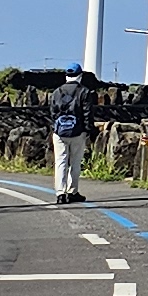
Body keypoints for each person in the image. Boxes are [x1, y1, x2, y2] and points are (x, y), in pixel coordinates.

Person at [47, 68, 97, 203]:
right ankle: (72, 192)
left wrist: (56, 127)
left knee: (60, 161)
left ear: (66, 76)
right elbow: (87, 113)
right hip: (78, 132)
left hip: (60, 132)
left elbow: (52, 112)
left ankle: (60, 193)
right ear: (80, 76)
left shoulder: (57, 92)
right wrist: (89, 130)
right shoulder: (84, 92)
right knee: (75, 162)